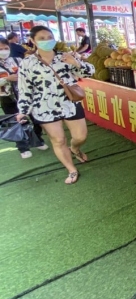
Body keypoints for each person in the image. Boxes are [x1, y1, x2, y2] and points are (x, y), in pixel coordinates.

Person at [16, 26, 95, 184]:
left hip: (70, 102)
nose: (47, 41)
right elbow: (25, 89)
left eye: (49, 37)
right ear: (33, 41)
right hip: (44, 107)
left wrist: (76, 63)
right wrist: (23, 110)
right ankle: (71, 169)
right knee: (58, 140)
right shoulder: (27, 63)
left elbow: (90, 72)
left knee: (80, 136)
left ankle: (75, 148)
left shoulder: (65, 57)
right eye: (42, 38)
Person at [0, 39, 48, 158]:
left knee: (35, 118)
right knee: (16, 122)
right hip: (8, 98)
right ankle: (23, 148)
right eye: (0, 49)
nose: (4, 51)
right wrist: (6, 79)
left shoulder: (18, 60)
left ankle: (38, 141)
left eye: (6, 48)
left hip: (26, 95)